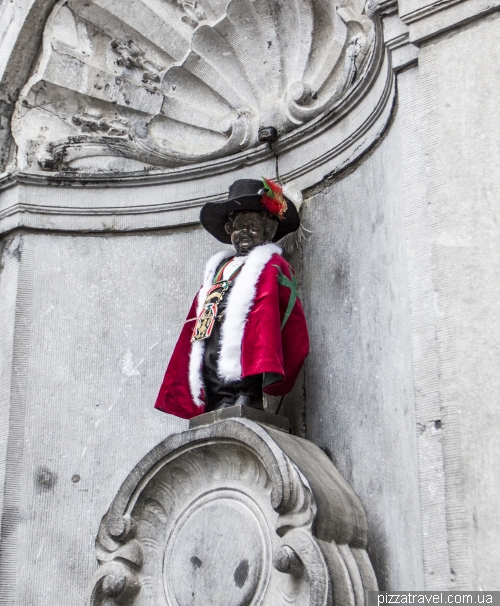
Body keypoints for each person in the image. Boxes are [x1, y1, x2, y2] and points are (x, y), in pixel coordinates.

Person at [154, 178, 309, 419]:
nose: (243, 232)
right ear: (229, 231)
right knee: (210, 359)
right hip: (214, 323)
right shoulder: (219, 267)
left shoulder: (271, 264)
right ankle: (220, 398)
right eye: (238, 227)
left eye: (252, 226)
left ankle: (248, 396)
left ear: (268, 230)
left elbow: (281, 305)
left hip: (249, 324)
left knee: (247, 354)